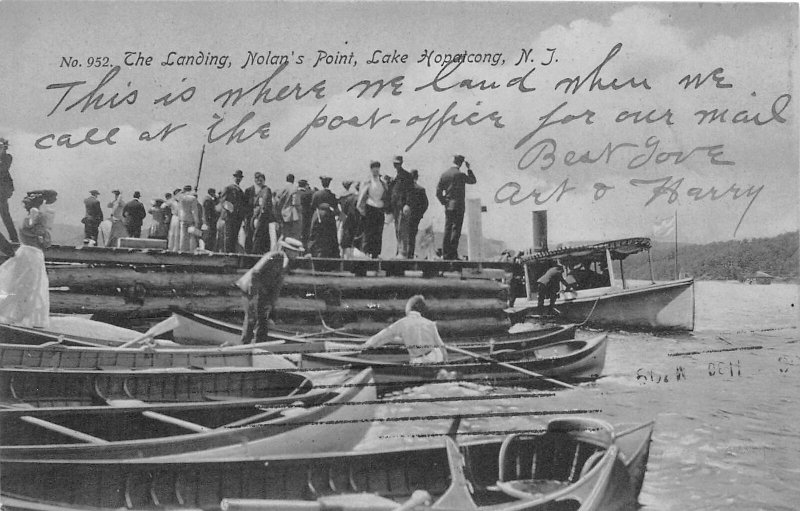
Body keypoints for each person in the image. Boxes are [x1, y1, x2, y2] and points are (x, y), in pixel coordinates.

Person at [0, 191, 57, 328]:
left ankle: (15, 314)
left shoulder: (23, 221)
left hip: (24, 252)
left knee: (20, 283)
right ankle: (28, 317)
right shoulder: (36, 225)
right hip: (33, 254)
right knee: (34, 285)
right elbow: (45, 243)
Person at [362, 295, 448, 364]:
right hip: (434, 358)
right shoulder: (430, 323)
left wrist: (365, 345)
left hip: (417, 361)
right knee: (436, 350)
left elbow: (381, 336)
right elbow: (441, 346)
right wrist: (446, 363)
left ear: (409, 308)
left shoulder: (402, 323)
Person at [236, 251, 288, 344]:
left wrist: (271, 304)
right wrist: (254, 296)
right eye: (295, 252)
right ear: (288, 250)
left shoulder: (285, 262)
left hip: (263, 293)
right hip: (251, 289)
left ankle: (259, 345)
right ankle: (245, 345)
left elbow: (277, 285)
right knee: (252, 318)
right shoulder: (275, 256)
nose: (296, 255)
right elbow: (255, 273)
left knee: (262, 321)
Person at [436, 155, 476, 260]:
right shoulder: (460, 175)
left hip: (448, 205)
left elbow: (438, 192)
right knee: (456, 230)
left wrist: (444, 202)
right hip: (458, 206)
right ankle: (452, 254)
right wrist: (469, 169)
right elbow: (473, 181)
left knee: (447, 228)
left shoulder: (444, 174)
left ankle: (445, 254)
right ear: (461, 163)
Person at [357, 161, 389, 258]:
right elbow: (361, 198)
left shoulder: (383, 183)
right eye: (373, 168)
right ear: (371, 170)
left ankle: (376, 253)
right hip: (370, 208)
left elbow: (386, 196)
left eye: (377, 168)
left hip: (380, 208)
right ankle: (367, 252)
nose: (375, 170)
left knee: (378, 233)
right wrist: (362, 211)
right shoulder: (367, 182)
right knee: (368, 232)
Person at [390, 155, 414, 258]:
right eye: (395, 163)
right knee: (397, 229)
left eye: (398, 163)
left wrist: (407, 204)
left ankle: (402, 252)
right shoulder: (393, 176)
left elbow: (410, 191)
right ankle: (398, 251)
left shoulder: (407, 176)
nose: (397, 165)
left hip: (402, 206)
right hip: (394, 206)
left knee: (402, 229)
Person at [218, 170, 247, 253]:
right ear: (233, 177)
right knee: (228, 236)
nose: (238, 179)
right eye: (236, 177)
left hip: (237, 217)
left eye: (239, 177)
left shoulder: (241, 190)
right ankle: (227, 254)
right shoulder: (229, 188)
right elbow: (223, 201)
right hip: (229, 217)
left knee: (234, 236)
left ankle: (231, 253)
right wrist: (231, 209)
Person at [406, 169, 429, 259]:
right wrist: (420, 214)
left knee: (403, 235)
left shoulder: (405, 188)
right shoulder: (421, 189)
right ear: (417, 177)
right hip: (415, 216)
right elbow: (425, 204)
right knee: (412, 235)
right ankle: (410, 254)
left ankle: (403, 253)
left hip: (405, 215)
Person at [251, 176, 277, 254]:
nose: (259, 182)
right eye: (257, 180)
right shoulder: (260, 191)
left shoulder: (266, 190)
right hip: (259, 216)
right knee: (262, 236)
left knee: (258, 235)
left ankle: (255, 253)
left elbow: (264, 205)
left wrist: (260, 216)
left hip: (262, 217)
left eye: (260, 180)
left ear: (264, 181)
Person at [0, 138, 18, 244]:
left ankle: (14, 238)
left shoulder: (7, 157)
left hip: (2, 191)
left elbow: (2, 169)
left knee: (5, 214)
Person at [338, 181, 362, 259]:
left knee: (347, 240)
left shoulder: (349, 198)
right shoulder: (363, 198)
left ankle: (346, 257)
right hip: (360, 222)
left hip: (349, 221)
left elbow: (344, 212)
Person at [276, 173, 302, 241]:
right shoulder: (296, 188)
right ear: (293, 180)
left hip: (284, 213)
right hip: (294, 214)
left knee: (284, 232)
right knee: (292, 233)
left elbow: (278, 198)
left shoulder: (284, 187)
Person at [296, 179, 314, 248]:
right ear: (305, 185)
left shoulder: (295, 192)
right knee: (305, 235)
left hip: (296, 216)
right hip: (306, 217)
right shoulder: (308, 193)